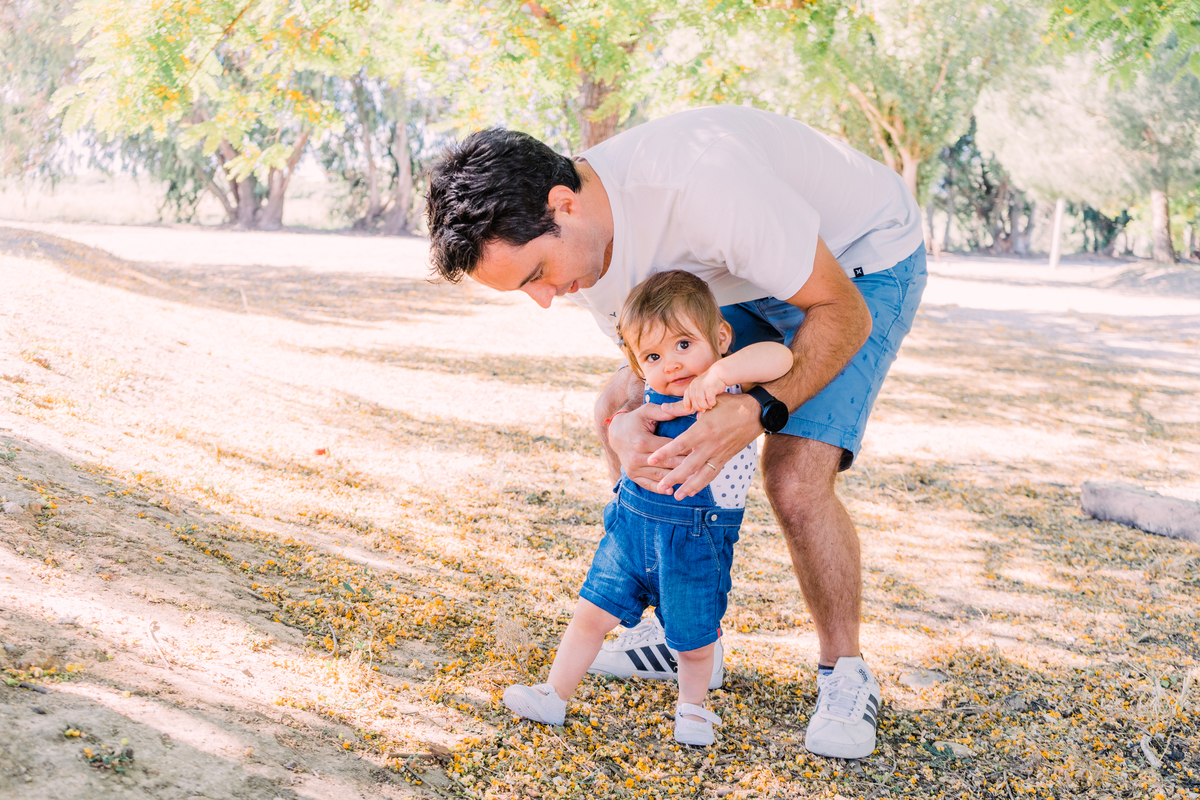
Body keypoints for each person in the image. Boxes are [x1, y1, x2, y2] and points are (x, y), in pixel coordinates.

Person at [425, 105, 928, 759]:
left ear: (563, 204)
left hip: (859, 265)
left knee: (794, 478)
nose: (547, 299)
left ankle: (845, 671)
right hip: (736, 277)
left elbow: (840, 311)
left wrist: (758, 409)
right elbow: (641, 381)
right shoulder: (587, 254)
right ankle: (683, 635)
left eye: (536, 276)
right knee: (614, 408)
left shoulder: (702, 183)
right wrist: (626, 425)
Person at [502, 270, 793, 746]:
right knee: (589, 616)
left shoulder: (731, 392)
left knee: (694, 643)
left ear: (721, 337)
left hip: (695, 545)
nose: (673, 365)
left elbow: (780, 356)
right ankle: (554, 694)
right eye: (654, 356)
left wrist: (722, 372)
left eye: (684, 345)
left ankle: (693, 710)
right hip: (630, 536)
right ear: (637, 365)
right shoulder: (651, 397)